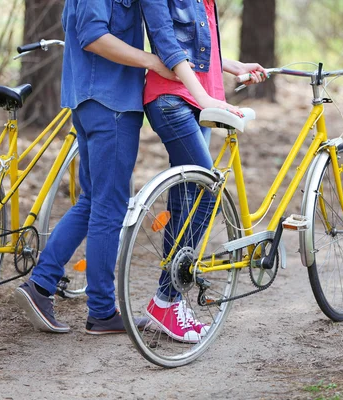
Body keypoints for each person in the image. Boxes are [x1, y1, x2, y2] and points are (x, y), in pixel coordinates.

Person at [15, 0, 176, 335]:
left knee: (92, 201)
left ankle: (42, 284)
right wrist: (151, 62)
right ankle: (101, 311)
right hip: (110, 104)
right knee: (109, 205)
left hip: (95, 101)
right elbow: (93, 36)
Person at [139, 0, 267, 342]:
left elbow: (197, 49)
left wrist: (234, 66)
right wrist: (206, 99)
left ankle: (166, 305)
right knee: (208, 195)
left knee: (185, 202)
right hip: (174, 99)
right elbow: (166, 44)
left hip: (199, 100)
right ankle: (167, 300)